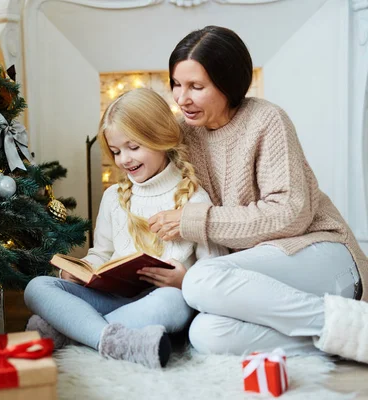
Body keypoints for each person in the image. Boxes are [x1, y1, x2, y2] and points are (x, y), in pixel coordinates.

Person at [144, 25, 368, 362]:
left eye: (196, 86)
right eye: (176, 84)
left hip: (322, 252)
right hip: (257, 277)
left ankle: (361, 328)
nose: (181, 98)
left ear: (227, 85)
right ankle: (345, 338)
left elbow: (289, 215)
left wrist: (193, 221)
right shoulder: (184, 134)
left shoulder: (267, 120)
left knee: (200, 281)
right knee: (206, 333)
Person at [23, 88, 227, 369]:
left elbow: (214, 269)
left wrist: (184, 280)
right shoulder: (113, 197)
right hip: (112, 299)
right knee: (37, 287)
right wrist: (80, 270)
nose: (124, 160)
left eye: (134, 147)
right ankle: (116, 340)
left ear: (160, 138)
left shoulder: (194, 197)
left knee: (172, 301)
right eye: (117, 152)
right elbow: (101, 253)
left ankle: (73, 330)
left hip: (158, 303)